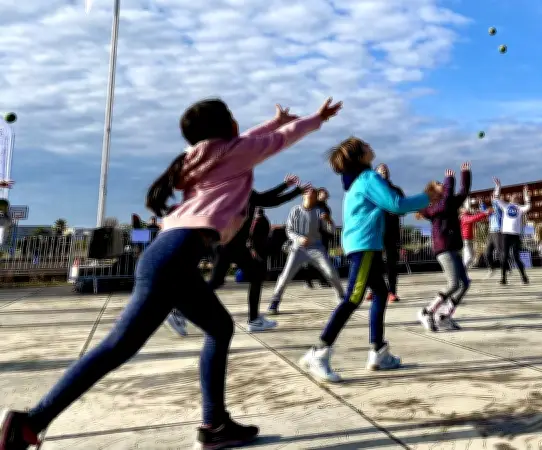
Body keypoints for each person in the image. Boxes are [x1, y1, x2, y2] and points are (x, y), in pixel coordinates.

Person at [0, 98, 342, 450]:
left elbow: (253, 138)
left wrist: (272, 122)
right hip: (175, 256)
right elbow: (281, 139)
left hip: (171, 253)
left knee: (219, 328)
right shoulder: (233, 153)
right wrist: (316, 118)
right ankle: (30, 422)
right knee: (118, 347)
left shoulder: (203, 155)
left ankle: (215, 424)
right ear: (227, 128)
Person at [297, 137, 431, 383]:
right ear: (360, 156)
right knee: (353, 298)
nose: (371, 146)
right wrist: (428, 196)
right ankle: (320, 352)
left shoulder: (355, 182)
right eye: (366, 145)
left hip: (361, 244)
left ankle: (378, 352)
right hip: (364, 246)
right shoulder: (369, 178)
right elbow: (396, 204)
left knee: (380, 293)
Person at [165, 174, 305, 336]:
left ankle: (253, 320)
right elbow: (268, 200)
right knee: (219, 282)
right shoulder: (236, 192)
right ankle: (179, 312)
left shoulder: (243, 191)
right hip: (228, 244)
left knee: (251, 275)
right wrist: (294, 190)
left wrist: (286, 186)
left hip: (234, 245)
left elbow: (264, 198)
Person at [267, 187, 345, 314]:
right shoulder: (295, 211)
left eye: (313, 194)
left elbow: (330, 230)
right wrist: (299, 239)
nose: (311, 195)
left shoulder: (319, 211)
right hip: (298, 249)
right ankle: (275, 301)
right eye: (308, 193)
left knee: (331, 272)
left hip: (316, 248)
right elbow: (289, 230)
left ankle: (341, 296)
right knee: (286, 276)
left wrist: (329, 220)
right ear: (303, 196)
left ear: (315, 198)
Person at [416, 162, 472, 332]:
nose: (443, 184)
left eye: (443, 183)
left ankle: (444, 315)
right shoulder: (431, 207)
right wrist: (449, 179)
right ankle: (427, 311)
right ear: (433, 191)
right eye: (439, 184)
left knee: (464, 284)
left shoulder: (447, 202)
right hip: (443, 248)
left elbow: (463, 193)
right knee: (453, 284)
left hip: (453, 247)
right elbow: (446, 203)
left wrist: (465, 174)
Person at [366, 163, 405, 302]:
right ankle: (374, 289)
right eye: (381, 170)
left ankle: (391, 291)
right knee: (373, 262)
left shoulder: (395, 190)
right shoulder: (371, 191)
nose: (384, 172)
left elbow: (403, 208)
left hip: (391, 230)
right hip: (375, 230)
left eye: (386, 170)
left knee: (391, 263)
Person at [492, 178, 531, 285]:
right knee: (504, 256)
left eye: (517, 196)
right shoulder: (505, 206)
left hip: (515, 235)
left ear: (519, 200)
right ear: (510, 199)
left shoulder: (520, 208)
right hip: (505, 234)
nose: (515, 196)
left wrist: (525, 194)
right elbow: (495, 199)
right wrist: (498, 186)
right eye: (513, 196)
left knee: (516, 257)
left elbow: (528, 206)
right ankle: (503, 278)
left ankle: (524, 277)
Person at [304, 187, 334, 288]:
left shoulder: (327, 208)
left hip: (324, 236)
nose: (324, 195)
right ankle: (308, 280)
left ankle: (323, 281)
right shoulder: (314, 206)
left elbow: (328, 222)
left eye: (325, 194)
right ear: (318, 195)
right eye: (322, 194)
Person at [459, 202, 489, 269]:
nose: (467, 208)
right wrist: (485, 213)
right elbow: (473, 218)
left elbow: (475, 216)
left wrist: (480, 212)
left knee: (470, 256)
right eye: (464, 208)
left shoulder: (467, 215)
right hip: (465, 239)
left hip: (469, 239)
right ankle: (461, 272)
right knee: (469, 257)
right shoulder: (464, 216)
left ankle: (462, 274)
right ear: (461, 210)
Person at [481, 199, 503, 275]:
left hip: (498, 232)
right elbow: (484, 211)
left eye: (491, 208)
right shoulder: (490, 215)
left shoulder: (499, 213)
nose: (489, 209)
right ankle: (491, 268)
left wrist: (494, 199)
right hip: (490, 233)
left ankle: (506, 268)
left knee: (500, 252)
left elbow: (496, 206)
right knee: (487, 252)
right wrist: (482, 203)